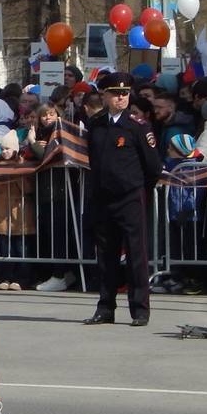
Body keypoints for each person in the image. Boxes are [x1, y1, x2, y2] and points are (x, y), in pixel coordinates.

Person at [83, 72, 162, 327]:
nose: (121, 98)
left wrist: (139, 189)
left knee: (136, 254)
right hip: (103, 198)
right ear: (104, 95)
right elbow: (94, 161)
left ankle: (140, 309)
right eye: (116, 94)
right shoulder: (96, 124)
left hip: (130, 197)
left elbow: (153, 167)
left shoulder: (137, 125)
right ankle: (105, 306)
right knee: (106, 255)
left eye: (125, 93)